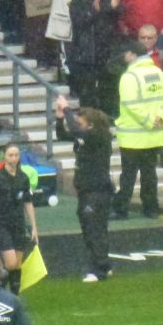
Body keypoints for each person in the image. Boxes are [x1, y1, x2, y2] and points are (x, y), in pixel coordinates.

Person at [54, 96, 113, 282]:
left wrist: (67, 110)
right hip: (86, 190)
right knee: (91, 228)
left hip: (97, 190)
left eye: (81, 122)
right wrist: (59, 118)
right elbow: (63, 134)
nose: (77, 125)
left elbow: (73, 129)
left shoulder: (98, 136)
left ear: (90, 125)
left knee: (94, 229)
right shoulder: (86, 136)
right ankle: (103, 263)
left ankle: (99, 269)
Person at [114, 40, 163, 219]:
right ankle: (150, 208)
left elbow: (131, 105)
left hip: (132, 136)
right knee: (149, 174)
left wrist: (148, 121)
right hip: (154, 136)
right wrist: (160, 118)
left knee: (128, 176)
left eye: (125, 53)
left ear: (132, 54)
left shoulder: (129, 77)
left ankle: (121, 209)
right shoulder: (159, 73)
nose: (124, 56)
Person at [0, 143, 39, 293]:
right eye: (10, 155)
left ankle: (14, 296)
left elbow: (28, 202)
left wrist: (33, 226)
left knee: (17, 264)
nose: (14, 158)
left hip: (19, 224)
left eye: (16, 155)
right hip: (2, 224)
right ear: (5, 157)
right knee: (10, 263)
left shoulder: (23, 178)